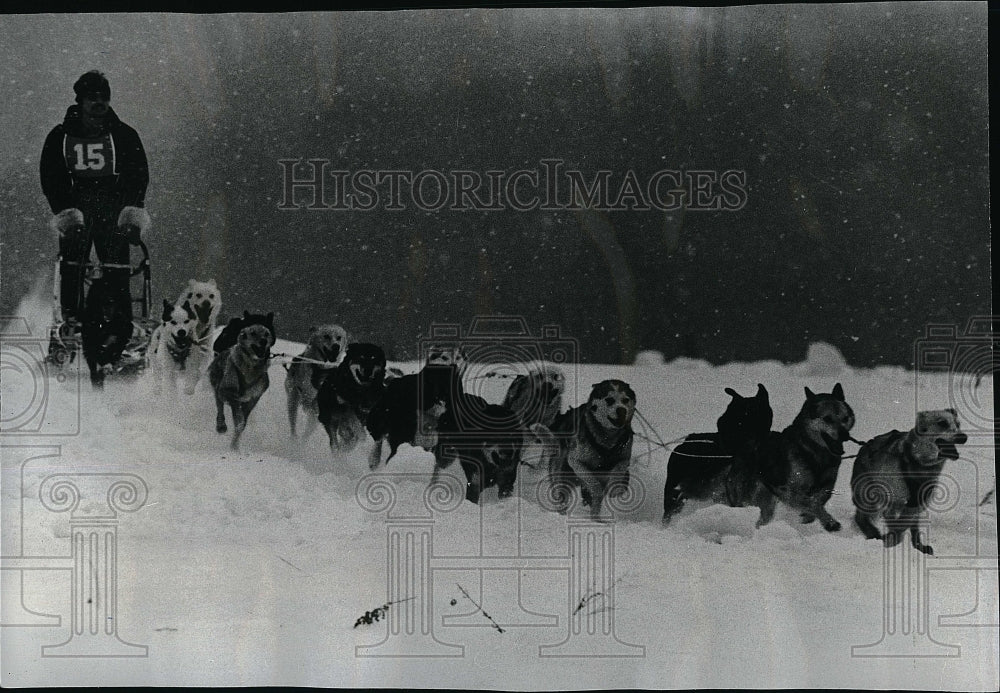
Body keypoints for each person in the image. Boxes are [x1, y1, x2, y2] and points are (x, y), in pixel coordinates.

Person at [40, 70, 150, 333]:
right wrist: (67, 216)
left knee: (117, 270)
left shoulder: (124, 135)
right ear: (80, 100)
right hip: (76, 206)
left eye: (104, 97)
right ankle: (72, 323)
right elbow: (52, 178)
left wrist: (131, 216)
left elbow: (137, 176)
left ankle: (119, 325)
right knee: (73, 269)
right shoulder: (60, 136)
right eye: (92, 97)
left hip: (113, 208)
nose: (99, 103)